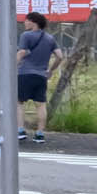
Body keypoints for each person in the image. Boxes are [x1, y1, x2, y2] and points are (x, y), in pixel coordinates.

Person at [16, 11, 58, 142]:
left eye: (26, 20)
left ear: (33, 22)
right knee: (40, 105)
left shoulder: (26, 35)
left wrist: (12, 66)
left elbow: (22, 52)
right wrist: (50, 70)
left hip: (24, 74)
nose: (24, 23)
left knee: (19, 102)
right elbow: (60, 56)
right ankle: (40, 134)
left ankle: (20, 131)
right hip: (41, 75)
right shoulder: (50, 38)